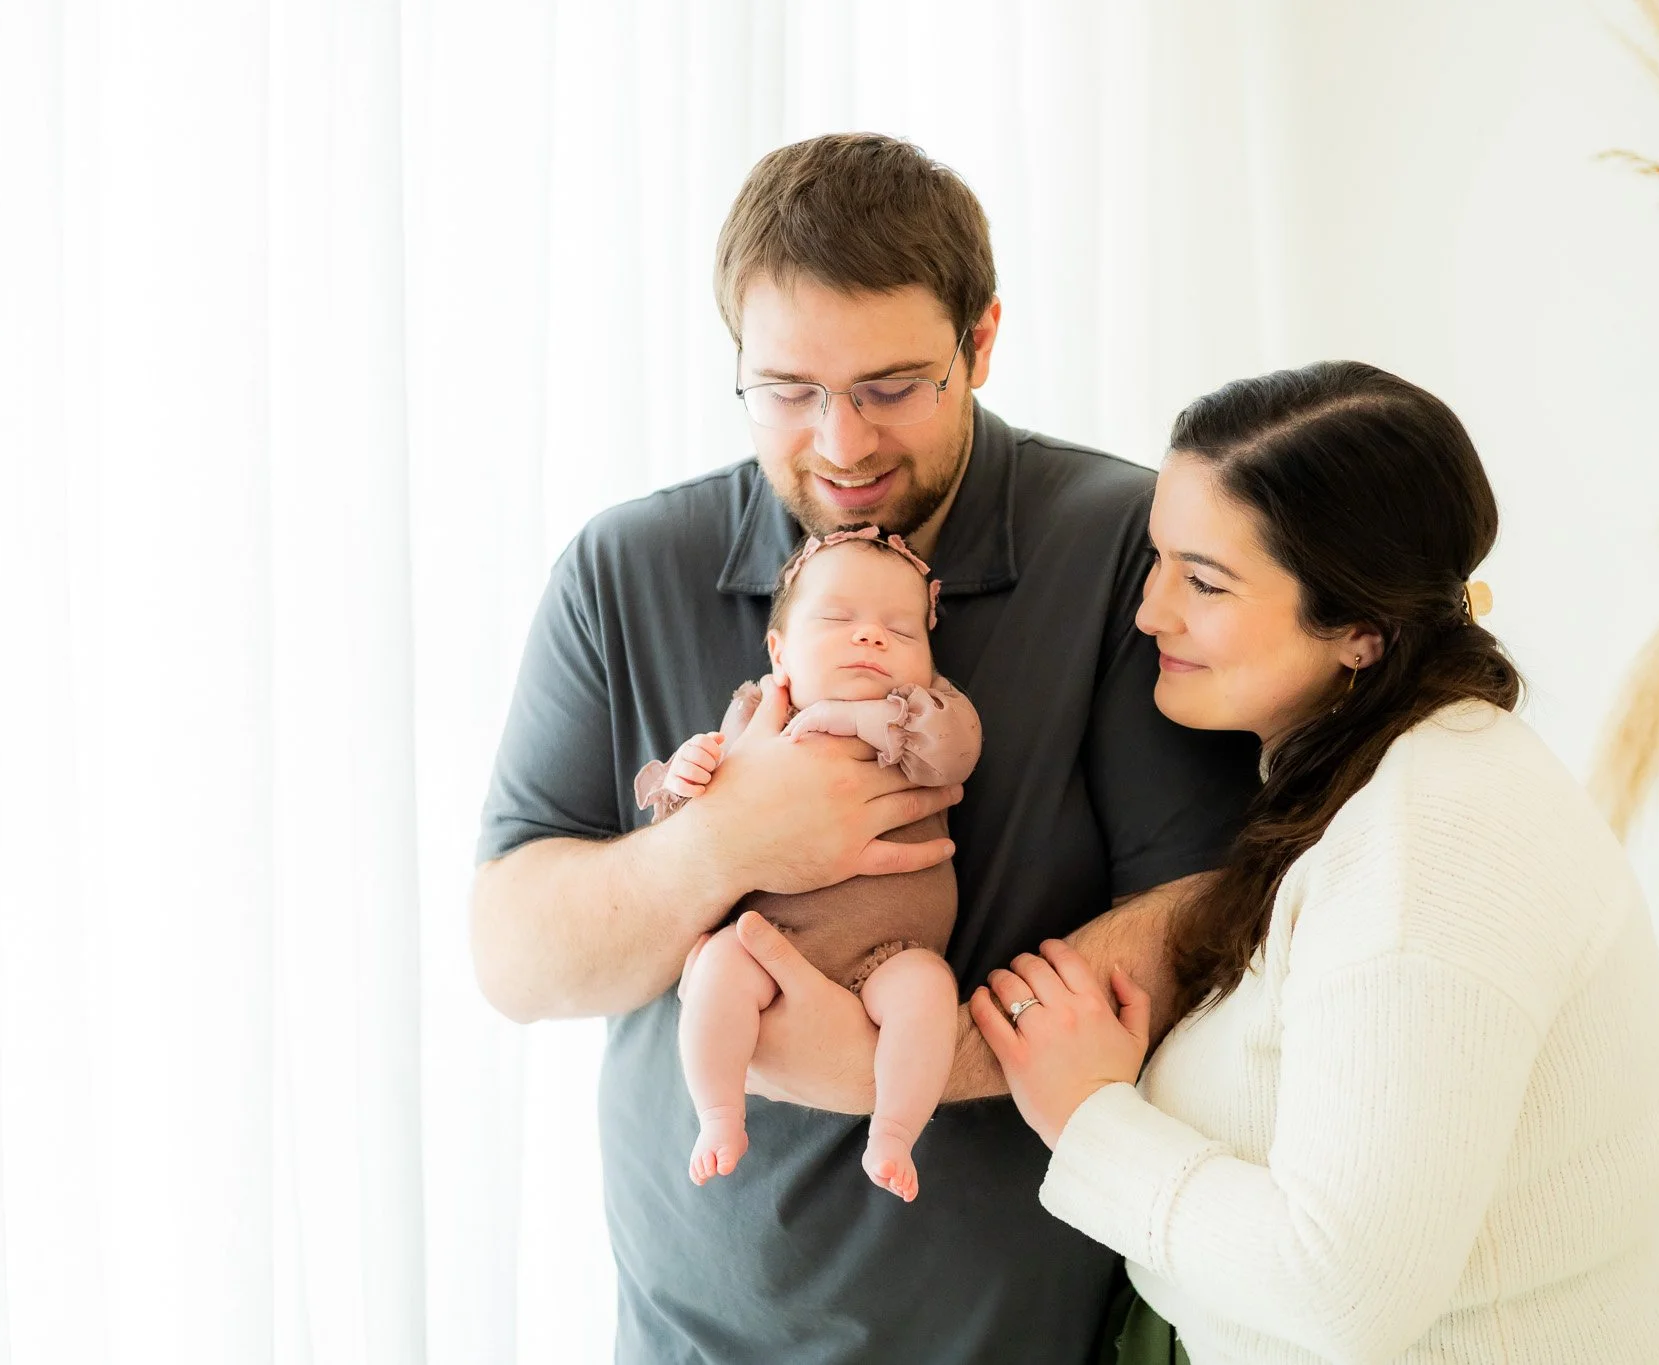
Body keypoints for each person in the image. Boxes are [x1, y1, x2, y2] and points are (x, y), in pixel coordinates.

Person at [470, 132, 1257, 1364]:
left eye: (892, 387)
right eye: (787, 391)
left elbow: (1203, 924)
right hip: (681, 1339)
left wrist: (900, 1064)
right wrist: (730, 840)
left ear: (980, 342)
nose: (839, 444)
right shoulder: (625, 568)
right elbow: (517, 961)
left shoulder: (1122, 549)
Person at [976, 361, 1659, 1364]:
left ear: (1361, 631)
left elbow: (1345, 1292)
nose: (1150, 611)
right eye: (1158, 559)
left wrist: (1088, 1117)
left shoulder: (1427, 841)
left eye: (1204, 581)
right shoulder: (1375, 784)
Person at [642, 526, 981, 1201]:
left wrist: (860, 722)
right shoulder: (756, 714)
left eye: (900, 631)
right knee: (718, 969)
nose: (871, 637)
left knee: (928, 993)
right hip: (771, 938)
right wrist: (686, 777)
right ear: (779, 650)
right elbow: (692, 833)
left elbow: (957, 748)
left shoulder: (922, 713)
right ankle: (718, 1113)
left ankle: (894, 1130)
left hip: (892, 952)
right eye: (836, 619)